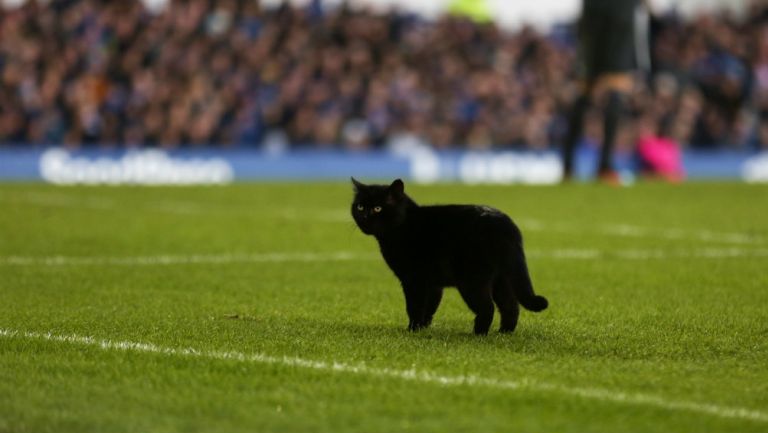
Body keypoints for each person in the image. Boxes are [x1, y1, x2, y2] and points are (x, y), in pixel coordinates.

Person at [562, 0, 651, 183]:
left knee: (585, 89)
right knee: (616, 88)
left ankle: (568, 167)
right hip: (619, 10)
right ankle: (604, 166)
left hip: (593, 10)